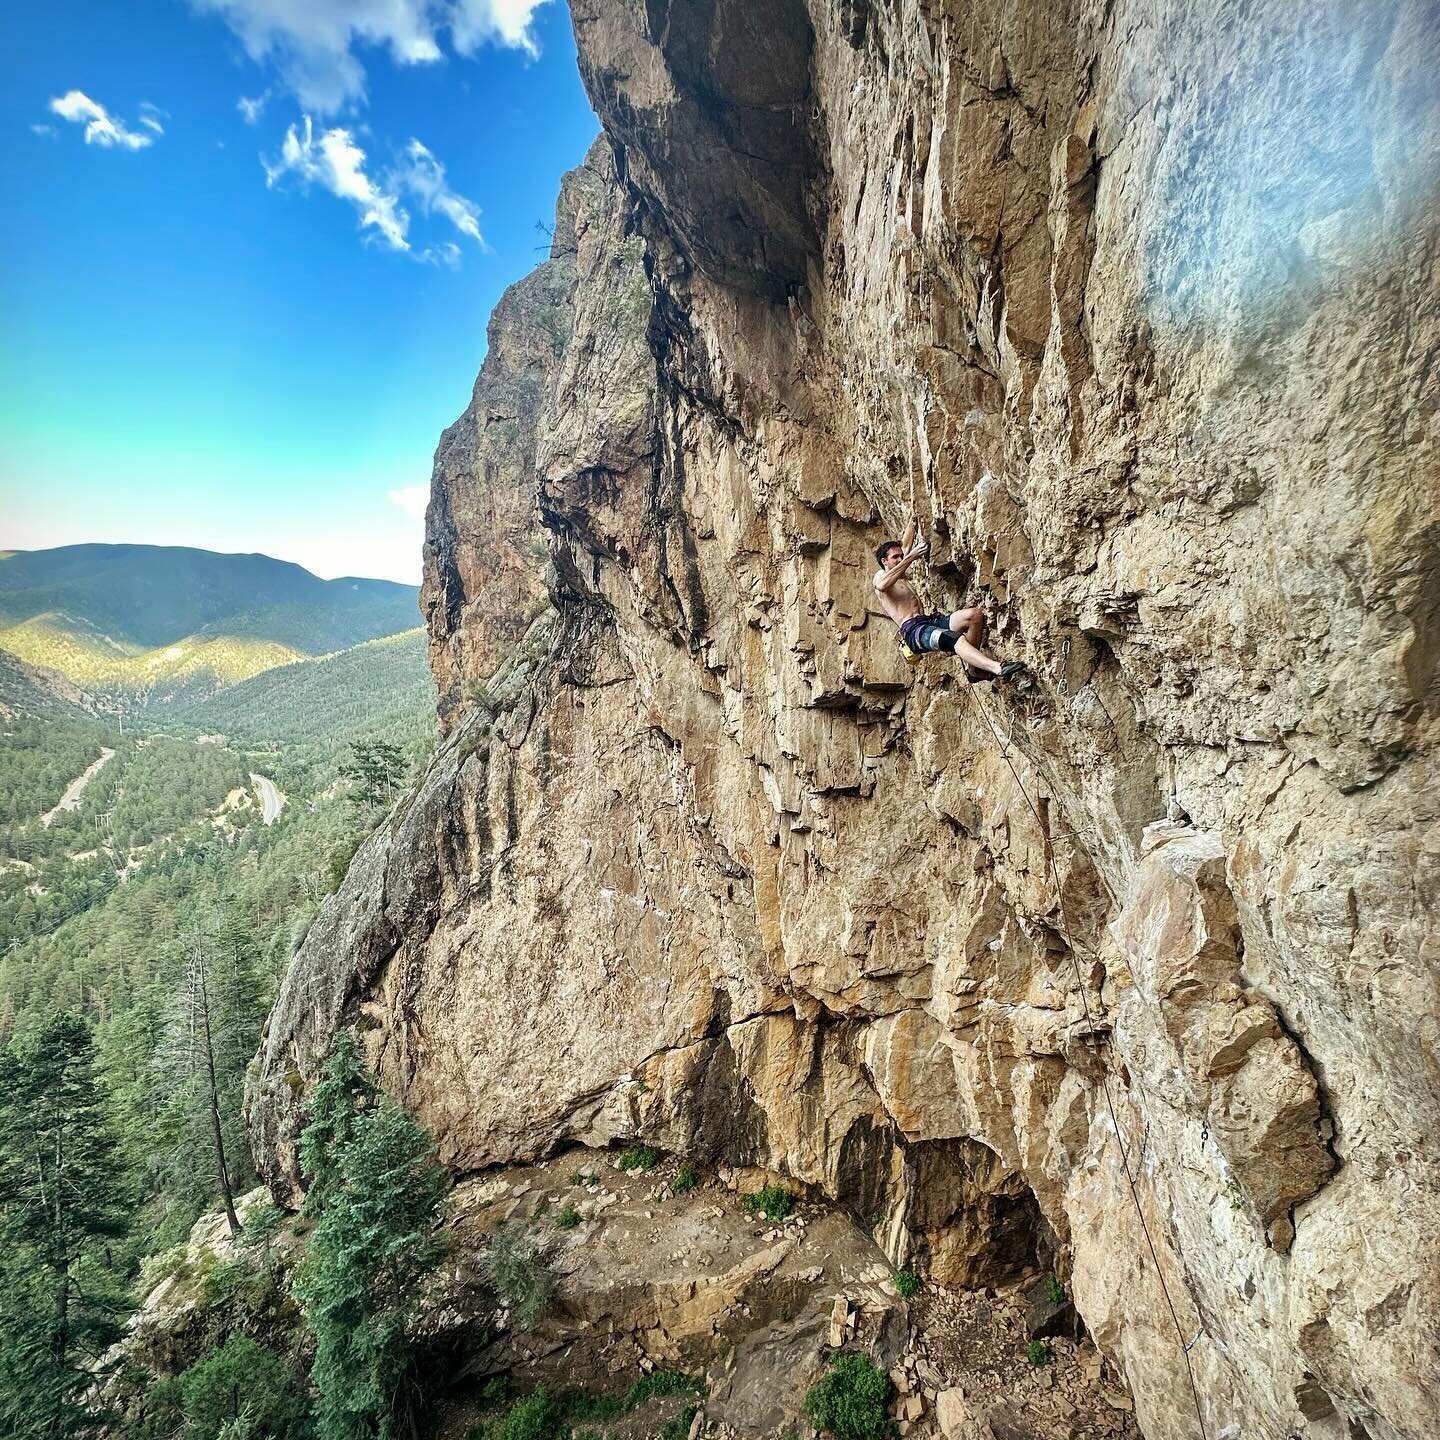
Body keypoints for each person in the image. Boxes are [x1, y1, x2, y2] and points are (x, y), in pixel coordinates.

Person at [872, 521, 1026, 683]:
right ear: (884, 561)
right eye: (895, 557)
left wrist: (914, 520)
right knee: (954, 639)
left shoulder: (899, 571)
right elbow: (883, 585)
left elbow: (905, 545)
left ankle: (973, 670)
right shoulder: (881, 576)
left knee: (974, 616)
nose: (899, 559)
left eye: (901, 556)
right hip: (913, 631)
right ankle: (998, 668)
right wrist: (910, 557)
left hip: (928, 621)